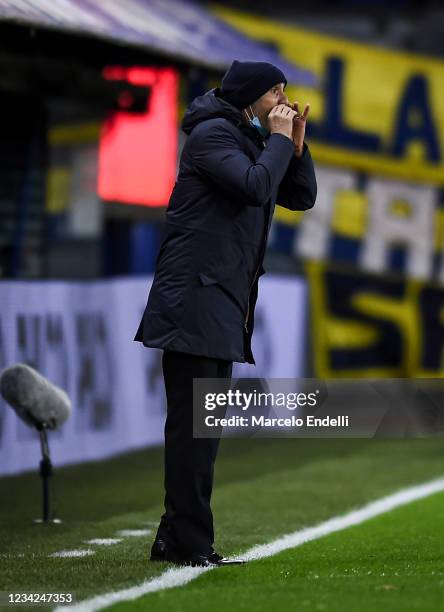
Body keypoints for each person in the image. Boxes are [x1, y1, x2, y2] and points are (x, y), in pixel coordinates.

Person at [134, 59, 317, 567]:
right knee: (193, 431)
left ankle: (175, 537)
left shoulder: (251, 138)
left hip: (220, 301)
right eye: (273, 92)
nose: (281, 102)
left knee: (202, 430)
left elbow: (300, 195)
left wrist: (295, 146)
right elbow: (258, 186)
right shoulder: (212, 136)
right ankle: (188, 544)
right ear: (247, 98)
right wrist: (278, 143)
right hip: (195, 299)